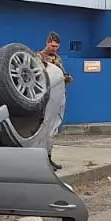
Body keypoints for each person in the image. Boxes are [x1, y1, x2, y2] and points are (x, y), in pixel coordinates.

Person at [38, 31, 71, 170]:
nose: (54, 48)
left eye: (56, 46)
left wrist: (66, 78)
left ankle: (49, 158)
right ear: (47, 43)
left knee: (53, 130)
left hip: (58, 96)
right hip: (46, 97)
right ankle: (42, 160)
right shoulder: (39, 57)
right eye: (52, 45)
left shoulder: (58, 59)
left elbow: (61, 75)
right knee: (43, 130)